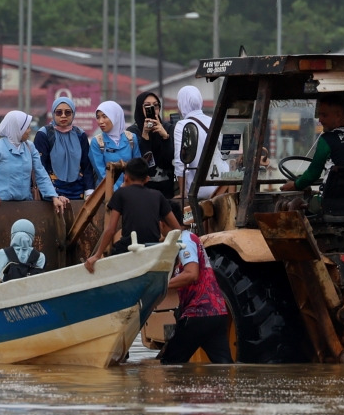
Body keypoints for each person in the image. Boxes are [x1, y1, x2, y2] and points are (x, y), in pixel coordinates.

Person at [85, 158, 182, 272]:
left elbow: (111, 229)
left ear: (125, 177)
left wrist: (97, 255)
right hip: (152, 249)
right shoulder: (158, 195)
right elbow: (177, 228)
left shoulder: (121, 193)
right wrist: (176, 253)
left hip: (128, 248)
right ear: (146, 179)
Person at [160, 225, 233, 364]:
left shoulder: (184, 241)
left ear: (163, 222)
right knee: (224, 367)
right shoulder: (188, 240)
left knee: (169, 363)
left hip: (198, 313)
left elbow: (191, 274)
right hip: (217, 313)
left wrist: (160, 286)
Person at [0, 110, 70, 213]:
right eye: (26, 127)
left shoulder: (30, 147)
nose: (29, 130)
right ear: (17, 129)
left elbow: (40, 173)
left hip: (24, 205)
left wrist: (54, 197)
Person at [279, 92, 344, 192]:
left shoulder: (327, 139)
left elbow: (313, 174)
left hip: (332, 203)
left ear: (338, 115)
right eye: (319, 115)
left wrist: (295, 185)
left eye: (324, 115)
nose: (320, 120)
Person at [173, 86, 228, 202]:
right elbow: (223, 153)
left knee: (192, 219)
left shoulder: (182, 125)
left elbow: (180, 160)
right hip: (220, 186)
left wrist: (183, 192)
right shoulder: (213, 120)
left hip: (198, 190)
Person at [34, 97, 94, 199]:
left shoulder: (80, 134)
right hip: (51, 193)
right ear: (53, 113)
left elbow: (86, 166)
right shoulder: (44, 134)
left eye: (67, 112)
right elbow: (40, 167)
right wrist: (51, 194)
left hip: (77, 192)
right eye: (58, 112)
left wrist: (89, 192)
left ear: (73, 113)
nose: (63, 116)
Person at [127, 91, 175, 199]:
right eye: (147, 106)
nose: (152, 109)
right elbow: (140, 164)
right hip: (142, 191)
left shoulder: (168, 128)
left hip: (166, 190)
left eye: (156, 105)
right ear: (140, 108)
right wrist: (145, 136)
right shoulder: (132, 132)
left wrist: (165, 137)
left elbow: (170, 160)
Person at [89, 101, 142, 192]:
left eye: (105, 116)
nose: (100, 121)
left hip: (131, 191)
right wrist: (118, 191)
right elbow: (101, 172)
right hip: (107, 194)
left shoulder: (131, 138)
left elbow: (138, 166)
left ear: (116, 116)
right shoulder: (97, 142)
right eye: (98, 117)